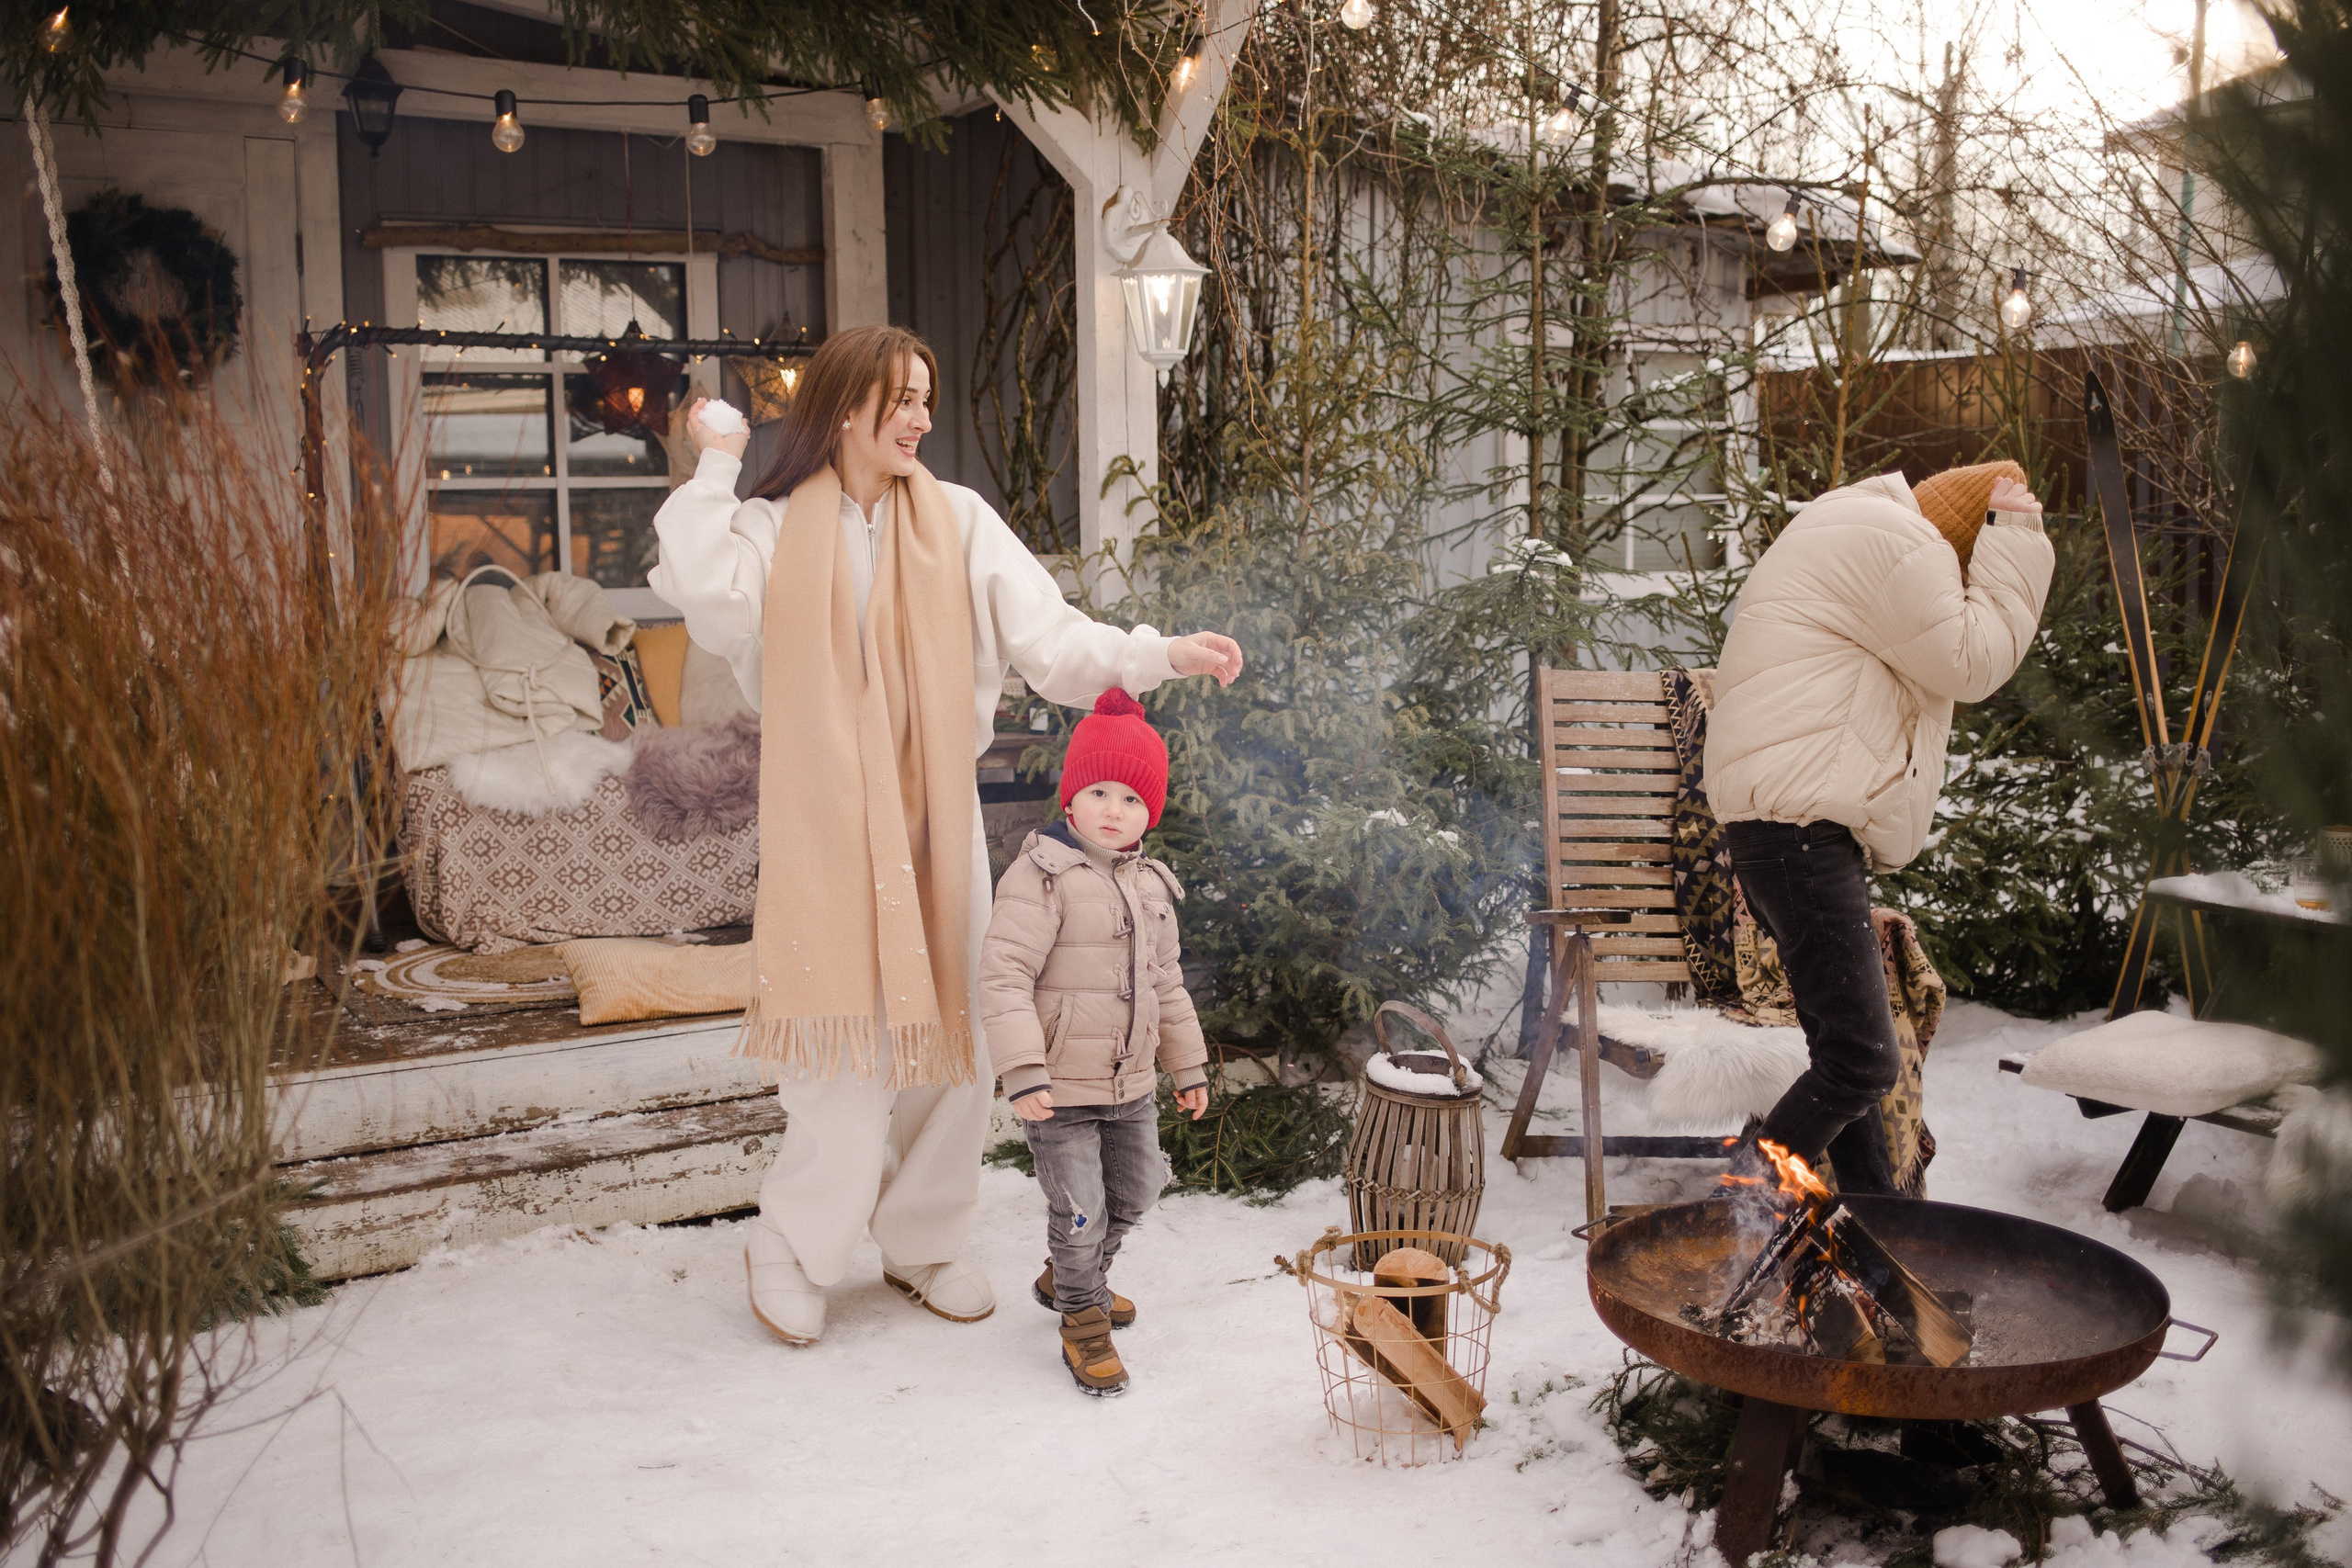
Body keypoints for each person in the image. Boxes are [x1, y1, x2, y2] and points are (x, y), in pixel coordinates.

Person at [650, 326, 1243, 1345]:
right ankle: (793, 1248)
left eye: (926, 396)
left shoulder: (960, 521)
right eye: (901, 399)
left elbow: (1052, 643)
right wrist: (716, 460)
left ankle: (923, 1240)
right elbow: (702, 594)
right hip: (824, 825)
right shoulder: (765, 527)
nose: (922, 417)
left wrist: (1162, 653)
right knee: (842, 1048)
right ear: (844, 408)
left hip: (937, 819)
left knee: (958, 1039)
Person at [1703, 459, 2054, 1192]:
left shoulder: (1857, 529)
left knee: (1845, 1055)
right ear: (1961, 549)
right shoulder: (1900, 544)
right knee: (1863, 1059)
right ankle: (1734, 1205)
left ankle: (1876, 1239)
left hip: (1782, 831)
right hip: (1797, 832)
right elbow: (1973, 660)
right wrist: (2017, 539)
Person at [976, 689, 1210, 1397]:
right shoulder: (1040, 876)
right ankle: (1083, 1317)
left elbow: (1167, 985)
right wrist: (1021, 1067)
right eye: (1099, 791)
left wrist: (1187, 1064)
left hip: (1131, 1083)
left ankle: (1073, 1275)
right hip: (1060, 1090)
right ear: (1071, 800)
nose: (1115, 809)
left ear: (1151, 811)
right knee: (1080, 1211)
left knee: (1138, 1189)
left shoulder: (1150, 886)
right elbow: (1004, 974)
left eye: (1132, 798)